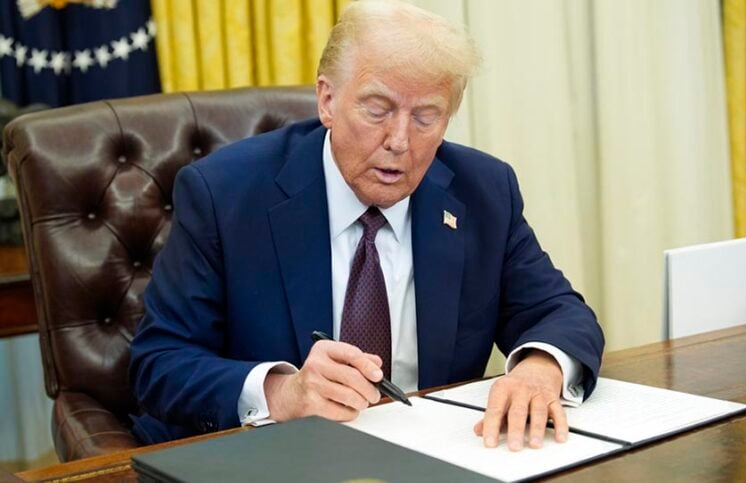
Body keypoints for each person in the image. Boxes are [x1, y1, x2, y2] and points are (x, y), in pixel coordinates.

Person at [129, 0, 604, 452]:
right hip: (277, 458)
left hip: (434, 457)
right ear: (327, 100)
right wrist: (281, 393)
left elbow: (560, 312)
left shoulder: (483, 191)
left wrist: (540, 369)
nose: (399, 141)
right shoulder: (224, 194)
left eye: (425, 117)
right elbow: (159, 363)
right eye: (377, 110)